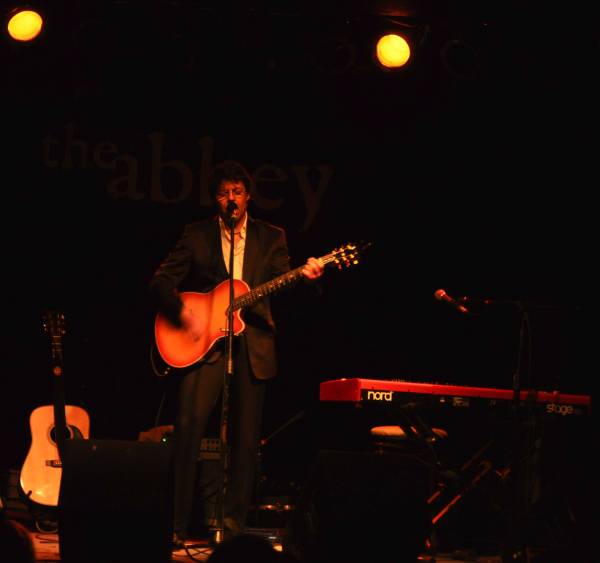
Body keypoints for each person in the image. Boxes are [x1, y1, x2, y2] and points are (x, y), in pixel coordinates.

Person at [149, 161, 324, 550]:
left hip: (252, 346)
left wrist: (307, 278)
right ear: (217, 198)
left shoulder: (271, 237)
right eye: (225, 192)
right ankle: (174, 527)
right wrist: (184, 316)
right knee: (188, 429)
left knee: (245, 443)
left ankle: (231, 534)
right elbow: (161, 281)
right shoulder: (196, 235)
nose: (232, 198)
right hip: (204, 345)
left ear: (248, 197)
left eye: (238, 192)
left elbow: (284, 282)